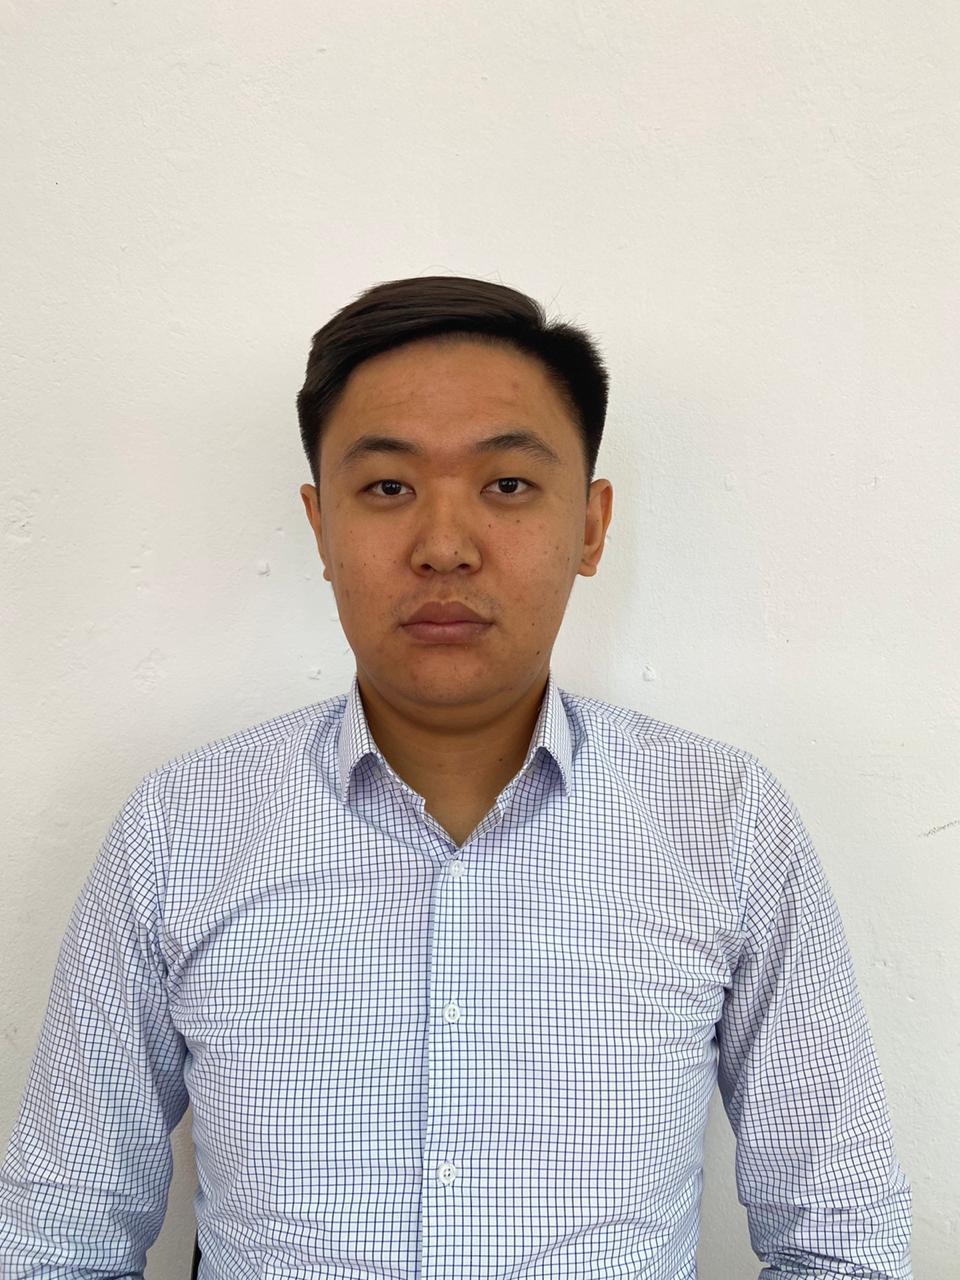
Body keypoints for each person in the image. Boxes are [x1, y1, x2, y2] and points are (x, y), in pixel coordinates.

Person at [0, 275, 912, 1277]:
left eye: (507, 485)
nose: (443, 547)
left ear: (591, 525)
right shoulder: (182, 827)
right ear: (319, 525)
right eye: (388, 488)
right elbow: (57, 1241)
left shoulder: (724, 819)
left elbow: (842, 1242)